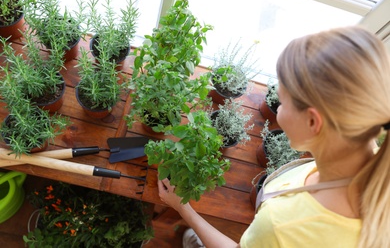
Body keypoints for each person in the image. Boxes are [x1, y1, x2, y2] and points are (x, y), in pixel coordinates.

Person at [158, 25, 390, 248]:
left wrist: (183, 208)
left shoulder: (283, 225)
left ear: (312, 121)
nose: (276, 109)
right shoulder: (375, 161)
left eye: (282, 101)